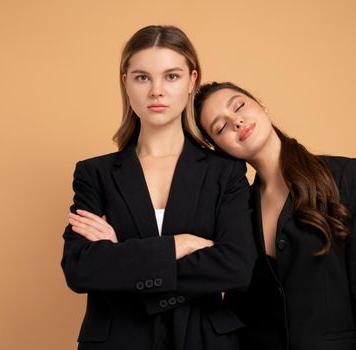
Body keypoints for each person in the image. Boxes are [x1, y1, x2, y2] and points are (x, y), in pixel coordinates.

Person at [60, 27, 256, 350]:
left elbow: (236, 267)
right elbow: (80, 268)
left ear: (192, 80)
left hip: (204, 340)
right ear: (125, 82)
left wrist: (121, 253)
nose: (157, 91)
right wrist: (176, 246)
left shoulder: (227, 172)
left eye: (172, 76)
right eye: (142, 77)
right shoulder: (94, 174)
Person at [194, 81, 356, 350]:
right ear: (218, 148)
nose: (237, 122)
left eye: (239, 106)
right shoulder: (237, 210)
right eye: (220, 127)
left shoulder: (342, 175)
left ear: (260, 104)